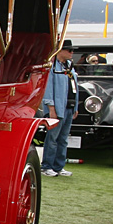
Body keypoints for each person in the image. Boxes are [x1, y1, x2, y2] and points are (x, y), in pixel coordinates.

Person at [41, 40, 78, 177]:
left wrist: (75, 107)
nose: (72, 53)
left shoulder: (68, 66)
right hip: (57, 108)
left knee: (63, 139)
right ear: (60, 51)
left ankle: (58, 166)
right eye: (69, 50)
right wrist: (51, 107)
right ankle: (46, 166)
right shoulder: (52, 66)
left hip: (69, 106)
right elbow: (48, 87)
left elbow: (74, 86)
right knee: (53, 138)